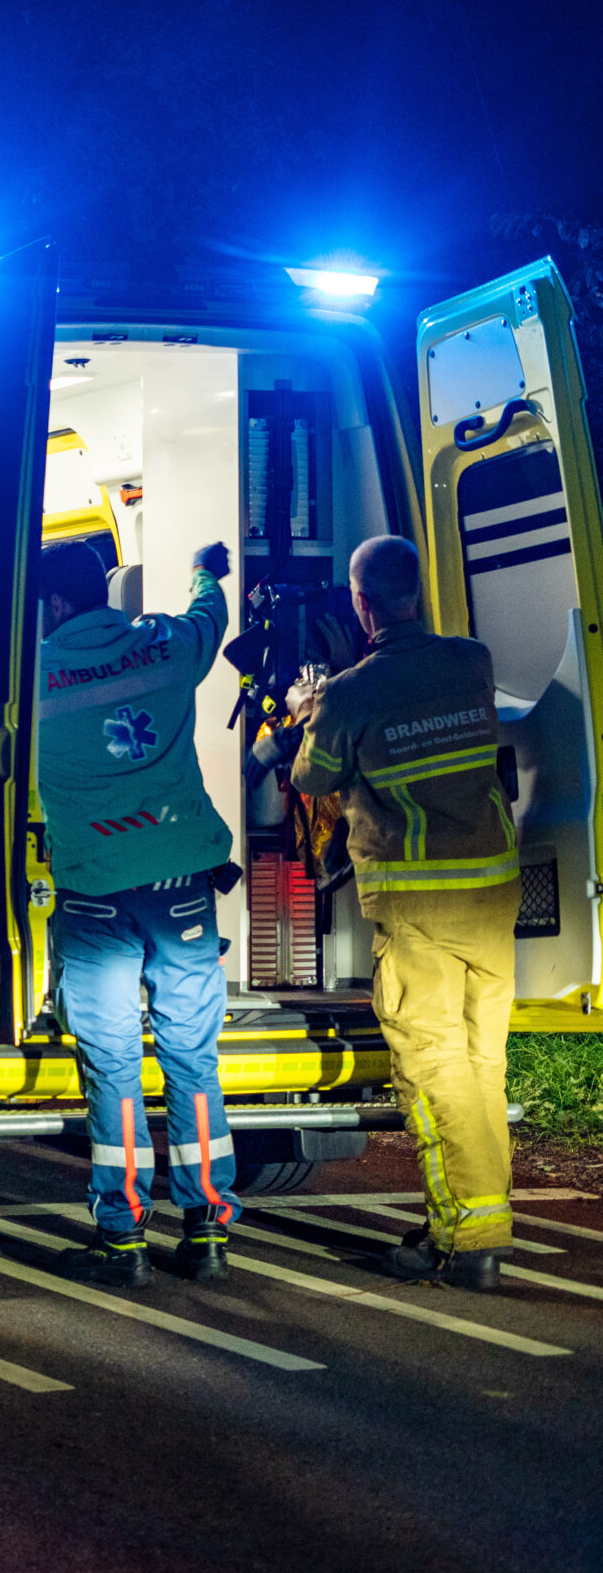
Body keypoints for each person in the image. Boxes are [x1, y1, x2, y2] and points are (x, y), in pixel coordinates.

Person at [287, 535, 520, 1290]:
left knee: (433, 1070)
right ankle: (460, 1220)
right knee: (482, 1061)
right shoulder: (472, 661)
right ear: (417, 589)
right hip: (492, 895)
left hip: (420, 902)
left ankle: (473, 1235)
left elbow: (311, 773)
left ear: (361, 604)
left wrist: (309, 708)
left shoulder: (352, 691)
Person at [35, 539, 239, 1287]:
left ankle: (122, 1234)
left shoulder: (35, 678)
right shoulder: (161, 643)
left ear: (53, 604)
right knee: (193, 1057)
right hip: (180, 884)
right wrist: (202, 570)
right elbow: (207, 618)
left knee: (113, 1060)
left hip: (94, 892)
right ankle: (209, 1225)